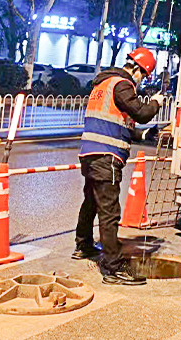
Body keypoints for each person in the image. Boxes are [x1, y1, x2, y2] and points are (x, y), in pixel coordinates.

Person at [74, 47, 164, 286]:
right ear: (136, 68)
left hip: (90, 153)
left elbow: (117, 122)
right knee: (109, 212)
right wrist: (156, 103)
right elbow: (141, 112)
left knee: (91, 201)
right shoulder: (122, 84)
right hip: (107, 157)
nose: (141, 80)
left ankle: (82, 245)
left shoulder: (102, 85)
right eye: (143, 75)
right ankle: (112, 268)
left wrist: (143, 135)